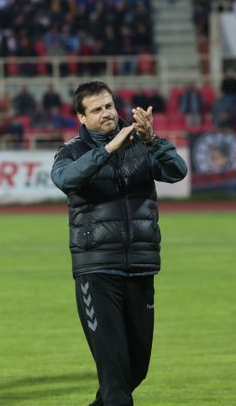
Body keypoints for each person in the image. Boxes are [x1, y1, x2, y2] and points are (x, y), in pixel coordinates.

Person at [51, 81, 187, 406]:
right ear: (81, 118)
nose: (106, 113)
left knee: (135, 370)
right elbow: (66, 180)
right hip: (96, 271)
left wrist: (153, 140)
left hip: (141, 266)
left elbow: (177, 171)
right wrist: (109, 148)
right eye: (96, 109)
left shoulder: (141, 143)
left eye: (109, 106)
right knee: (114, 379)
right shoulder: (71, 151)